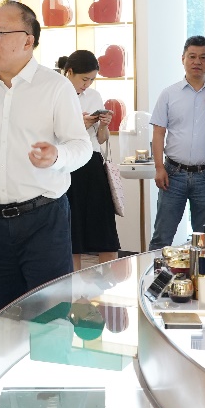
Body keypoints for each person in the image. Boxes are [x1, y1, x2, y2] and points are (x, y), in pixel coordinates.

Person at [0, 2, 91, 313]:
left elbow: (82, 147)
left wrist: (57, 156)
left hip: (44, 219)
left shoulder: (56, 88)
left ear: (27, 40)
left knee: (51, 317)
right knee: (5, 317)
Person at [148, 37, 205, 249]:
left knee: (203, 239)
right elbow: (158, 132)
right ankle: (155, 271)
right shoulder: (169, 94)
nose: (197, 61)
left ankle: (200, 272)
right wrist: (159, 167)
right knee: (162, 236)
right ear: (182, 58)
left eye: (203, 57)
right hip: (173, 174)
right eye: (192, 56)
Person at [58, 50, 121, 269]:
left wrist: (103, 124)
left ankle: (111, 281)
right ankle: (73, 284)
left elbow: (101, 139)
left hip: (93, 164)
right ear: (70, 72)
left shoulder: (93, 96)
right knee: (72, 231)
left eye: (92, 80)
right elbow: (50, 136)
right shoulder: (56, 94)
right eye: (84, 79)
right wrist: (79, 126)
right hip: (68, 164)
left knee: (104, 227)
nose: (87, 85)